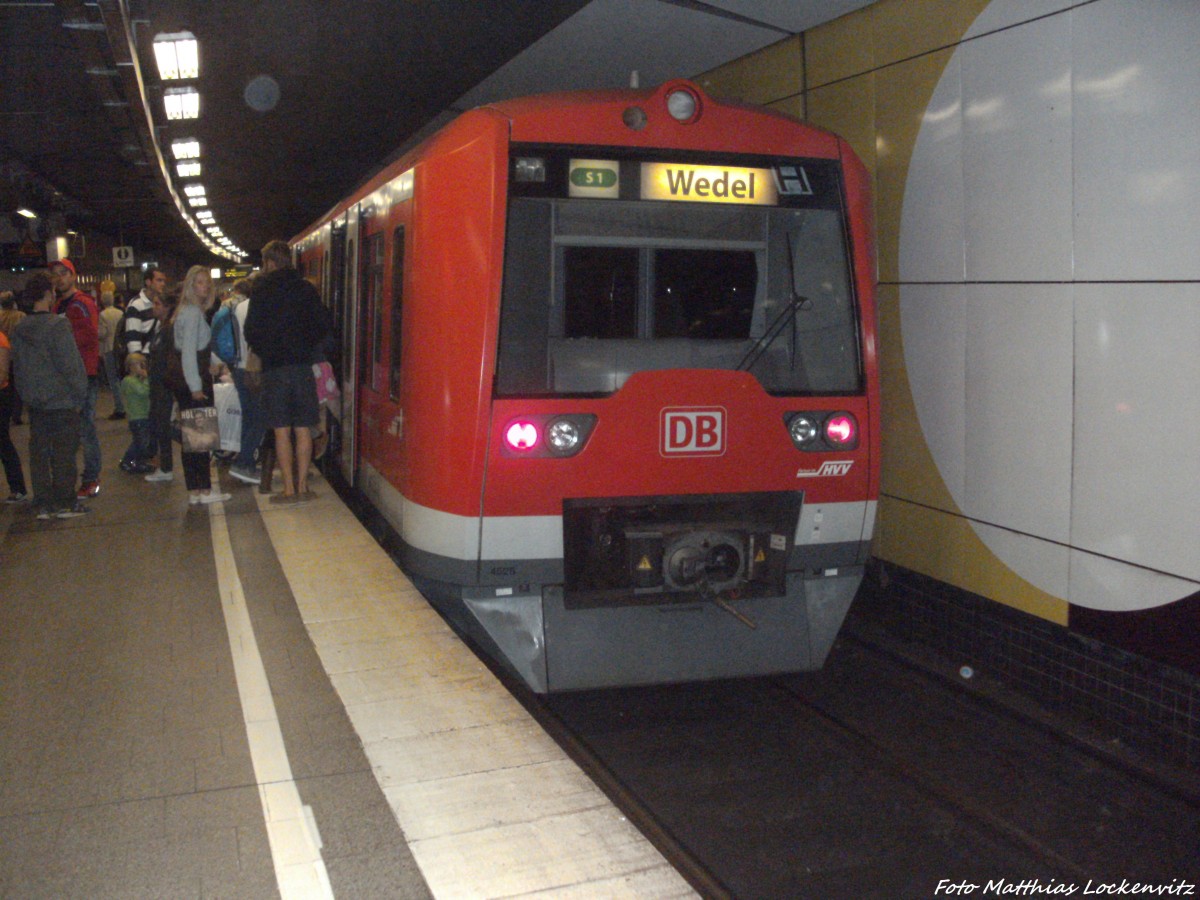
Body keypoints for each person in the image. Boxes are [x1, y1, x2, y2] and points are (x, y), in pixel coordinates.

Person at [244, 241, 331, 503]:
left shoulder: (261, 291)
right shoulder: (305, 289)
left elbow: (251, 331)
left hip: (274, 370)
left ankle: (289, 489)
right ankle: (304, 486)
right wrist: (305, 345)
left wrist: (267, 349)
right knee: (304, 427)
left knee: (281, 430)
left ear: (269, 262)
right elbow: (323, 324)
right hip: (302, 367)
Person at [10, 272, 89, 519]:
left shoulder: (19, 329)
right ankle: (65, 501)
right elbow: (70, 365)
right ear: (47, 294)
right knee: (65, 453)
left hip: (36, 403)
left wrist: (27, 395)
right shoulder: (57, 325)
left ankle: (43, 503)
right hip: (62, 401)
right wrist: (80, 394)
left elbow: (18, 368)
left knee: (39, 454)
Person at [170, 266, 229, 505]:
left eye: (207, 283)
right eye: (200, 282)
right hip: (194, 381)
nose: (205, 287)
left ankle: (195, 490)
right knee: (201, 438)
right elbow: (188, 354)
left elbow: (192, 348)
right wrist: (196, 386)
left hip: (188, 379)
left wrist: (215, 363)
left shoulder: (184, 311)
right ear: (190, 285)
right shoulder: (193, 313)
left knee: (192, 439)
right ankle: (203, 489)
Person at [49, 259, 101, 498]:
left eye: (63, 273)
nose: (59, 278)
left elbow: (88, 336)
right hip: (67, 376)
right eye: (55, 275)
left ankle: (91, 479)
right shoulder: (59, 304)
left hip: (83, 375)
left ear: (73, 276)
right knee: (74, 430)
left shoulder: (80, 304)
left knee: (85, 430)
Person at [218, 277, 266, 485]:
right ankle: (244, 461)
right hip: (254, 369)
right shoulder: (259, 308)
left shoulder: (237, 307)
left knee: (249, 416)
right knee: (260, 418)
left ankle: (245, 464)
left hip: (238, 368)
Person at [143, 287, 178, 483]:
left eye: (157, 304)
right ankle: (164, 466)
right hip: (157, 385)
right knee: (160, 425)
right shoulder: (160, 327)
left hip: (165, 385)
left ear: (167, 307)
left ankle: (166, 467)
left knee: (164, 426)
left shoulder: (168, 330)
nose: (154, 307)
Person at [0, 319, 29, 502]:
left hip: (1, 395)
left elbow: (2, 372)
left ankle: (18, 487)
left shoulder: (1, 340)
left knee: (3, 442)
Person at [118, 353, 153, 473]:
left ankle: (137, 462)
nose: (143, 367)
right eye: (140, 365)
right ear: (131, 366)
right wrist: (147, 379)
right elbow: (144, 392)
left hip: (143, 415)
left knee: (141, 441)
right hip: (137, 417)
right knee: (140, 442)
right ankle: (130, 461)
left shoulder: (137, 380)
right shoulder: (129, 381)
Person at [97, 290, 126, 420]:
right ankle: (125, 405)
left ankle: (120, 407)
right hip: (120, 349)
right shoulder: (120, 313)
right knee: (121, 378)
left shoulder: (102, 315)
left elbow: (101, 334)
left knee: (113, 379)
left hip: (109, 348)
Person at [0, 292, 26, 426]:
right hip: (17, 357)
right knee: (17, 388)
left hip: (1, 357)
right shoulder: (21, 316)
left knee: (4, 388)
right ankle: (16, 414)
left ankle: (5, 413)